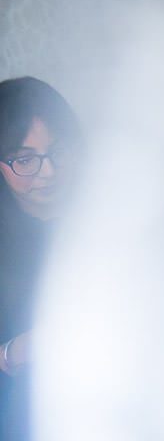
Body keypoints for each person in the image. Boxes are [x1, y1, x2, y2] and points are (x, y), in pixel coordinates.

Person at [0, 77, 82, 440]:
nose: (47, 172)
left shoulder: (106, 211)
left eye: (57, 151)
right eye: (24, 159)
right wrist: (15, 353)